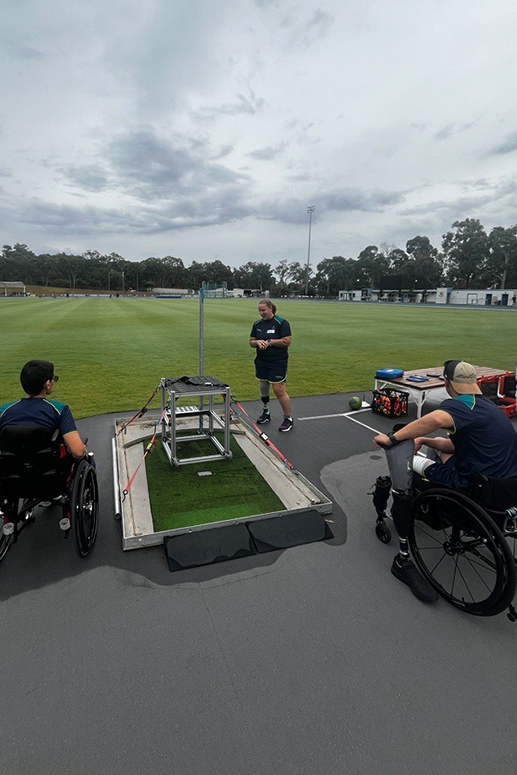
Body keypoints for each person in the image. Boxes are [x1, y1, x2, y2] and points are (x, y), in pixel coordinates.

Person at [373, 359, 517, 602]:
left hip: (473, 490)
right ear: (475, 382)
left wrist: (392, 438)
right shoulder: (489, 408)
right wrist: (426, 441)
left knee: (411, 471)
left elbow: (434, 421)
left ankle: (403, 559)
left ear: (448, 383)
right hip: (505, 492)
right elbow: (454, 444)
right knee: (444, 452)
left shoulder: (462, 405)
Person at [0, 360, 86, 460]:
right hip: (51, 471)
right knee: (86, 457)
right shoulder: (59, 410)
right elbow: (78, 452)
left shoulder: (4, 410)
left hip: (11, 471)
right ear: (47, 384)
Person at [249, 299, 293, 432]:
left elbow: (287, 342)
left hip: (277, 361)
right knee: (263, 387)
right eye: (259, 310)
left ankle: (288, 418)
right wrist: (257, 342)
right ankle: (266, 412)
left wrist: (271, 342)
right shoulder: (257, 324)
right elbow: (251, 341)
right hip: (262, 360)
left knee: (278, 390)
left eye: (263, 310)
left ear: (270, 308)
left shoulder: (281, 323)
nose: (261, 313)